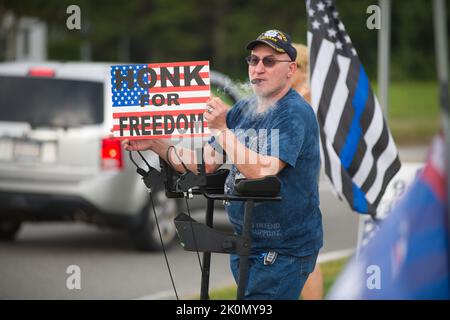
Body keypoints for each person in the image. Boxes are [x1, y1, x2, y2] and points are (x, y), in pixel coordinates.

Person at [122, 29, 323, 300]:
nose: (259, 68)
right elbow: (203, 164)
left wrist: (221, 130)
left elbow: (263, 171)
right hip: (246, 241)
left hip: (284, 249)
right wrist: (157, 144)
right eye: (253, 60)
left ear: (290, 69)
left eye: (269, 61)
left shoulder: (294, 113)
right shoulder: (246, 109)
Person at [291, 42, 324, 300]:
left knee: (304, 247)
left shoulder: (305, 94)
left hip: (301, 168)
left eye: (294, 66)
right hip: (297, 164)